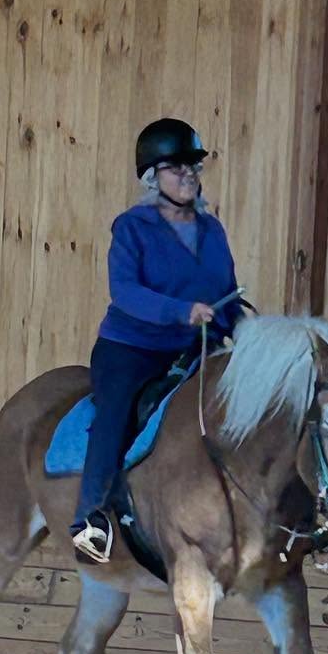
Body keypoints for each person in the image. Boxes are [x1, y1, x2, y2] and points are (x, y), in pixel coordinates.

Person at [71, 118, 242, 564]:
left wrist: (241, 331)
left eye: (193, 166)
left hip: (198, 347)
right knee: (115, 412)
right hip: (134, 348)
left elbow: (227, 291)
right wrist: (181, 311)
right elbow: (125, 292)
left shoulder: (213, 230)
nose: (188, 175)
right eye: (175, 167)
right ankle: (92, 518)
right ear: (152, 176)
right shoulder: (131, 227)